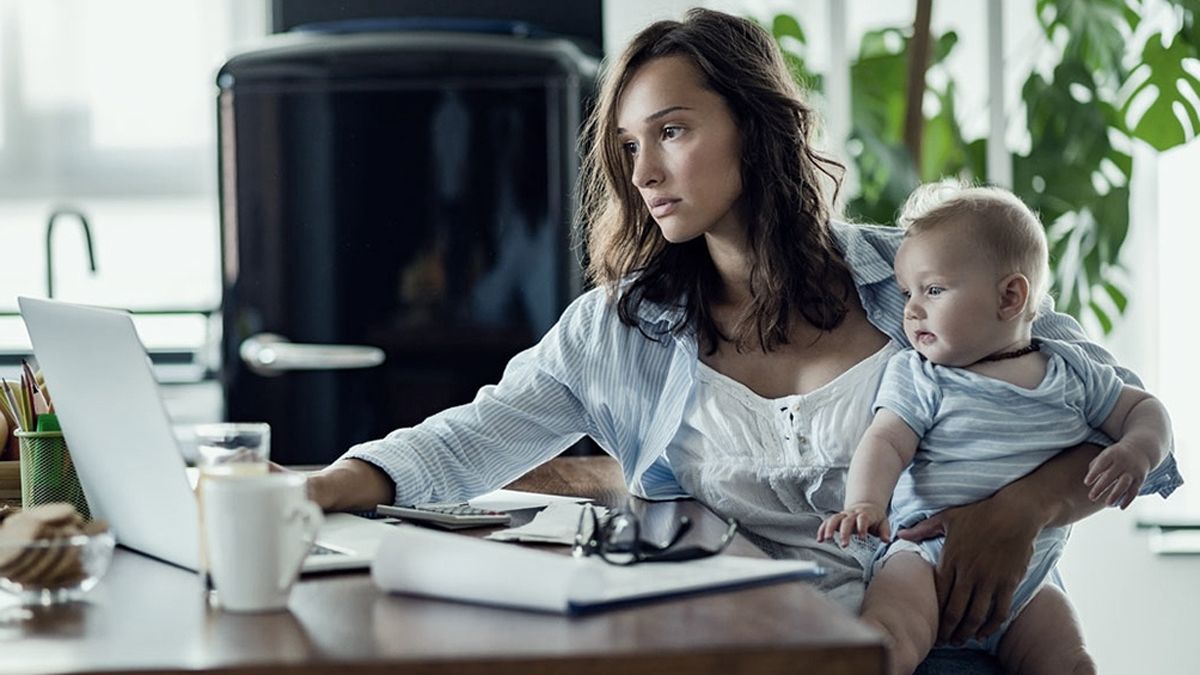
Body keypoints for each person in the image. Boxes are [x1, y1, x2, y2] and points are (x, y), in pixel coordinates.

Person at [301, 7, 1181, 666]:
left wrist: (1023, 509)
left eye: (672, 131)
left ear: (757, 130)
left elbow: (1121, 419)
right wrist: (317, 488)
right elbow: (465, 441)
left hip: (976, 646)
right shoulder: (617, 331)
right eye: (629, 146)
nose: (645, 172)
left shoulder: (915, 276)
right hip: (753, 652)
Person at [817, 183, 1172, 674]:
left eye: (933, 290)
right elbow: (886, 441)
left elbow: (1144, 409)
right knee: (889, 641)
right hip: (924, 558)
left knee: (1072, 663)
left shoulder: (1072, 371)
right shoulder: (922, 375)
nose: (911, 310)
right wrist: (865, 503)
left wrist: (1138, 449)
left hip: (1029, 579)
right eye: (906, 293)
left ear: (1010, 296)